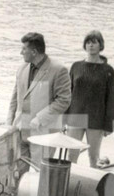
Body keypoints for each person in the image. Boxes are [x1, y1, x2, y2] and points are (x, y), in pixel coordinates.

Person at [5, 32, 72, 171]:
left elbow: (64, 100)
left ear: (34, 51)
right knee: (18, 173)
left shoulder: (58, 70)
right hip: (20, 130)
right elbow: (15, 97)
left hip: (43, 133)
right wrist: (9, 122)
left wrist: (39, 118)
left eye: (24, 49)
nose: (20, 52)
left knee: (40, 174)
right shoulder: (22, 68)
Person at [64, 29, 114, 167]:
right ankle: (69, 184)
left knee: (93, 156)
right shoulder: (76, 66)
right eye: (88, 42)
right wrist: (63, 117)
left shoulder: (108, 70)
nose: (91, 45)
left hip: (96, 118)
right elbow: (68, 92)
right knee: (71, 155)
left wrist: (109, 125)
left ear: (101, 45)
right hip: (76, 116)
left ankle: (93, 186)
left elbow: (110, 98)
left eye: (94, 42)